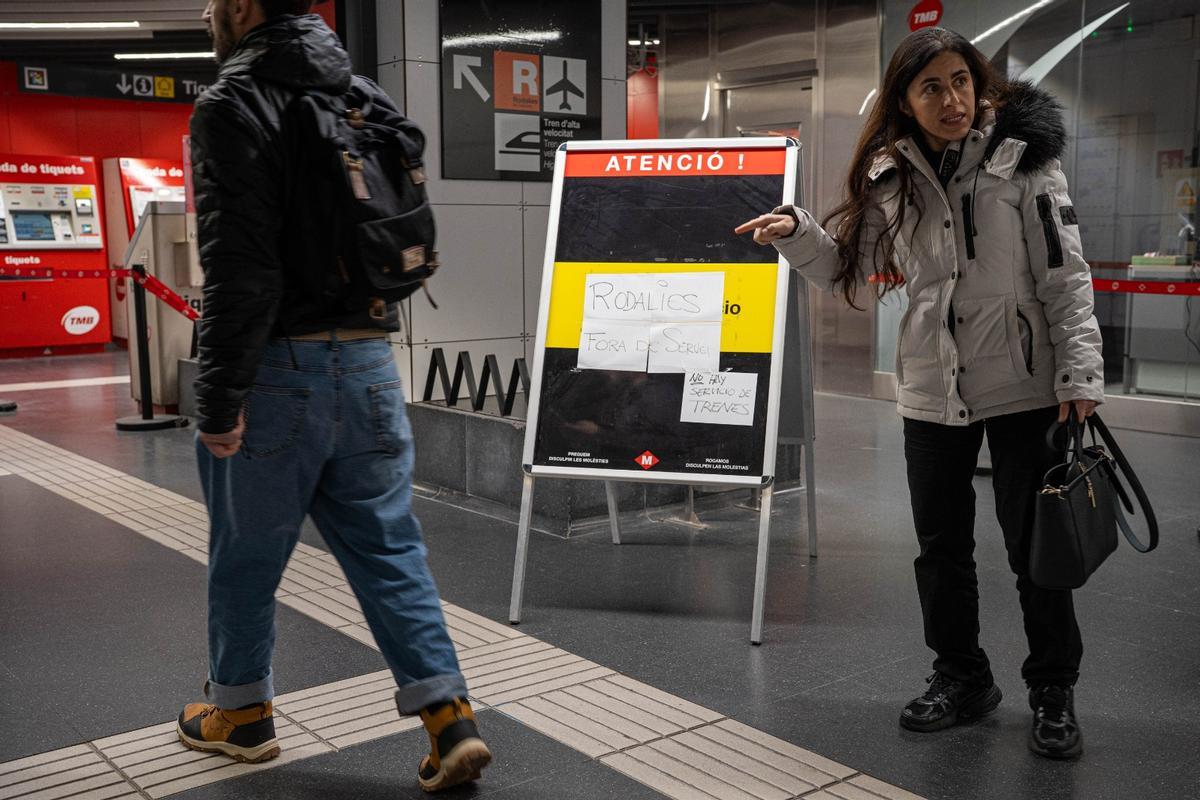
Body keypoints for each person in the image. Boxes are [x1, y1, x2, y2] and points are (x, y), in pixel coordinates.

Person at [736, 27, 1103, 760]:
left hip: (1024, 384)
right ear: (904, 101)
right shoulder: (889, 176)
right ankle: (962, 675)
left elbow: (1066, 276)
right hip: (931, 386)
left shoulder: (1024, 161)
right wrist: (796, 233)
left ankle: (1053, 689)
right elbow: (854, 266)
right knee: (941, 548)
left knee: (1037, 550)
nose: (952, 99)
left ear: (980, 85)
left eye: (961, 81)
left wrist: (1080, 374)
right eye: (931, 87)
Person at [176, 0, 491, 791]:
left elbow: (240, 266)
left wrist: (218, 400)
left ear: (242, 8)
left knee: (246, 552)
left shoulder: (231, 103)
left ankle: (241, 714)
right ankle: (449, 715)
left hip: (279, 368)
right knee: (390, 548)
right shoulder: (363, 97)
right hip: (371, 360)